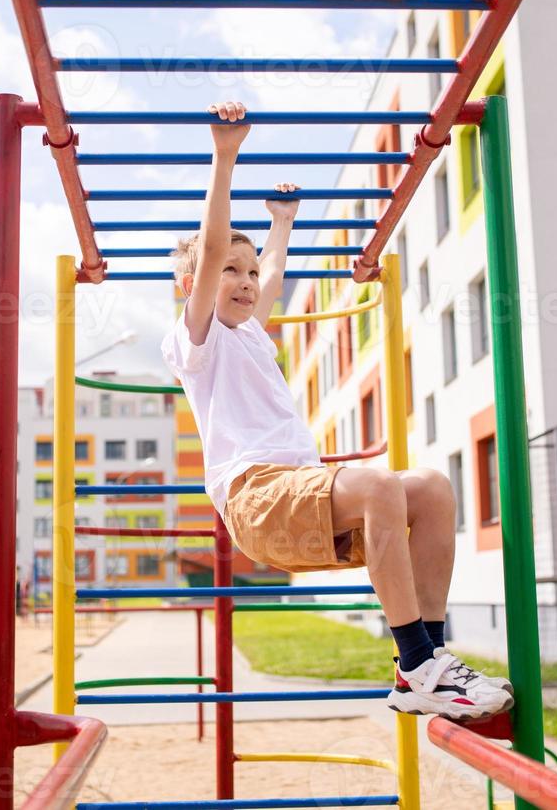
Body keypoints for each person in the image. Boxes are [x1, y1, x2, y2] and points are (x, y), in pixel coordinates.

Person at [162, 100, 514, 721]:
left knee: (430, 488)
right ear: (193, 287)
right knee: (379, 483)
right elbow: (213, 240)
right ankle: (418, 663)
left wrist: (282, 222)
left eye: (245, 273)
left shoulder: (249, 331)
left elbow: (271, 274)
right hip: (256, 497)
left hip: (302, 492)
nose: (243, 281)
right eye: (226, 272)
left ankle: (425, 662)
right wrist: (225, 158)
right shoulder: (196, 339)